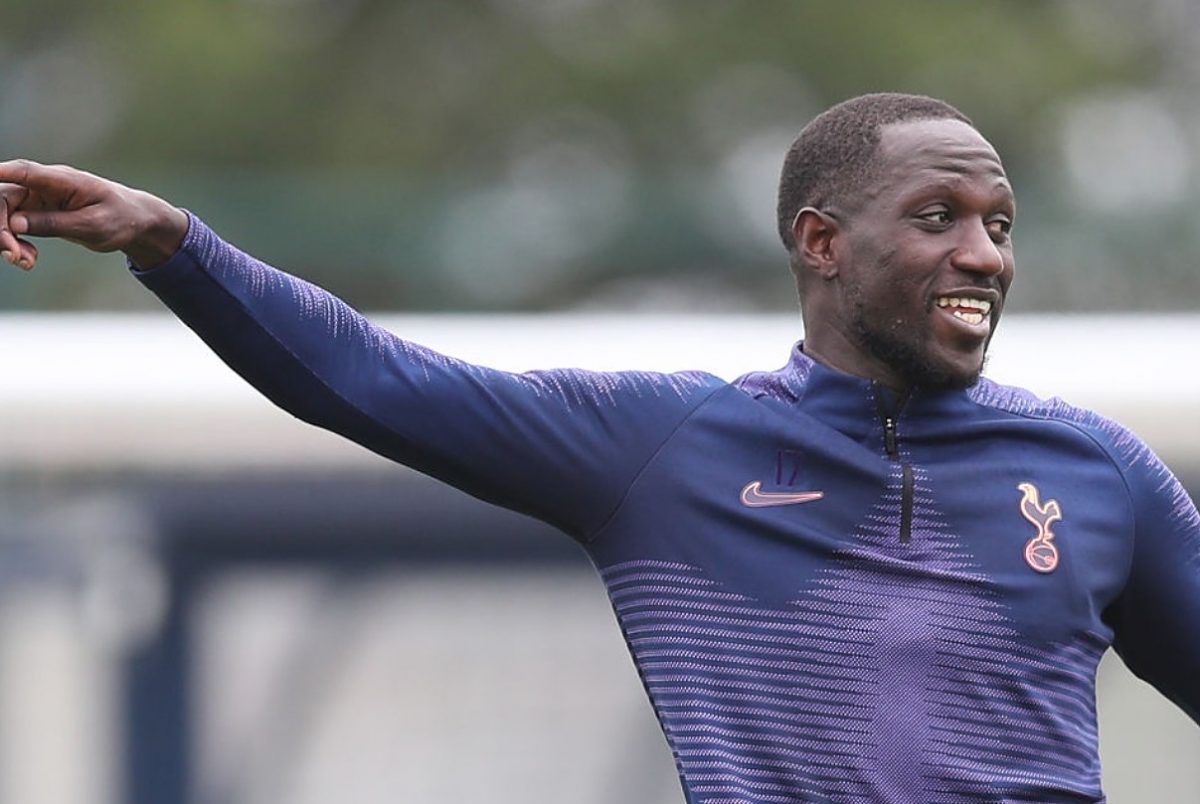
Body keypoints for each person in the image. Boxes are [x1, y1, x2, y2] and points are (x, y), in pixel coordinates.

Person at [1, 93, 1197, 803]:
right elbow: (372, 379)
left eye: (999, 225)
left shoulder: (1096, 474)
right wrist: (173, 245)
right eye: (939, 218)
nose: (984, 254)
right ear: (821, 242)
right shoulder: (667, 448)